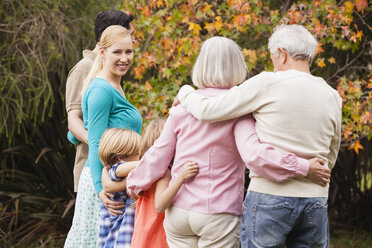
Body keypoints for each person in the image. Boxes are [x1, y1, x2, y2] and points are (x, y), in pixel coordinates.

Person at [126, 36, 331, 248]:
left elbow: (158, 155)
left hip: (179, 211)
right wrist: (302, 165)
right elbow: (252, 152)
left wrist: (134, 184)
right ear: (237, 66)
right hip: (218, 212)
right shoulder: (239, 110)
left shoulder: (182, 108)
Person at [176, 25, 342, 248]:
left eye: (273, 56)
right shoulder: (332, 95)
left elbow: (209, 111)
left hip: (269, 197)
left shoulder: (267, 83)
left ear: (281, 54)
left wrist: (186, 92)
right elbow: (331, 153)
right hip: (316, 199)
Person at [64, 25, 142, 248]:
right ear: (102, 52)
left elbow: (80, 132)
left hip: (115, 179)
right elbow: (96, 142)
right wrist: (101, 189)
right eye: (117, 52)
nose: (124, 58)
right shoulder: (101, 89)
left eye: (129, 52)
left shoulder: (114, 85)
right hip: (103, 183)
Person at [65, 9, 134, 194]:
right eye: (130, 34)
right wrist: (104, 144)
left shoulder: (113, 71)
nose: (133, 40)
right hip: (95, 171)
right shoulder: (83, 70)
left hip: (113, 172)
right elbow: (73, 121)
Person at [102, 119, 198, 248]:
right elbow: (115, 170)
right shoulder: (158, 174)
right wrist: (152, 162)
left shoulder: (143, 174)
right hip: (150, 235)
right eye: (135, 154)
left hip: (141, 235)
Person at [97, 128, 141, 248]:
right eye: (137, 153)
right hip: (121, 237)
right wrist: (149, 162)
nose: (140, 156)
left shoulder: (110, 172)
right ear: (121, 158)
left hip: (114, 236)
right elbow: (119, 170)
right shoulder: (116, 170)